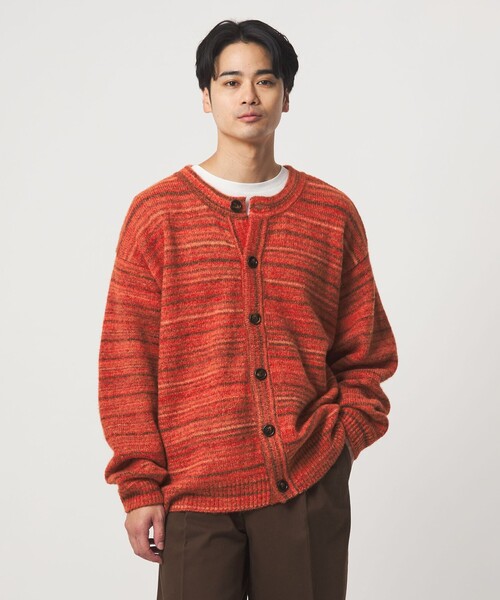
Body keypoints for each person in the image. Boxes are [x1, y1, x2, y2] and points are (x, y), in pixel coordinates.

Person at [98, 18, 398, 600]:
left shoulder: (330, 214)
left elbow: (366, 351)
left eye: (265, 80)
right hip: (192, 492)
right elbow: (127, 357)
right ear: (205, 97)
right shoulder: (158, 214)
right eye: (231, 81)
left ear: (287, 95)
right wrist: (140, 486)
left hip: (305, 485)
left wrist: (339, 443)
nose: (249, 96)